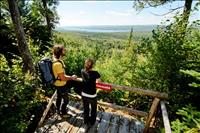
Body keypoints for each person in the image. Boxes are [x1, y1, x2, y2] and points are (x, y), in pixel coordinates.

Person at [52, 44, 77, 118]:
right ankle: (63, 113)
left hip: (57, 84)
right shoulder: (58, 64)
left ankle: (57, 111)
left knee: (59, 98)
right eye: (63, 50)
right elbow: (62, 78)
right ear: (60, 52)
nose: (64, 51)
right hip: (61, 85)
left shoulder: (57, 60)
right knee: (66, 100)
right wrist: (72, 78)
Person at [81, 58, 101, 126]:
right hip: (92, 95)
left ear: (85, 65)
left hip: (84, 94)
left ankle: (86, 120)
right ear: (92, 65)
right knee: (93, 109)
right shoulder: (96, 73)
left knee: (86, 109)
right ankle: (92, 122)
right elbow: (98, 82)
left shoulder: (82, 71)